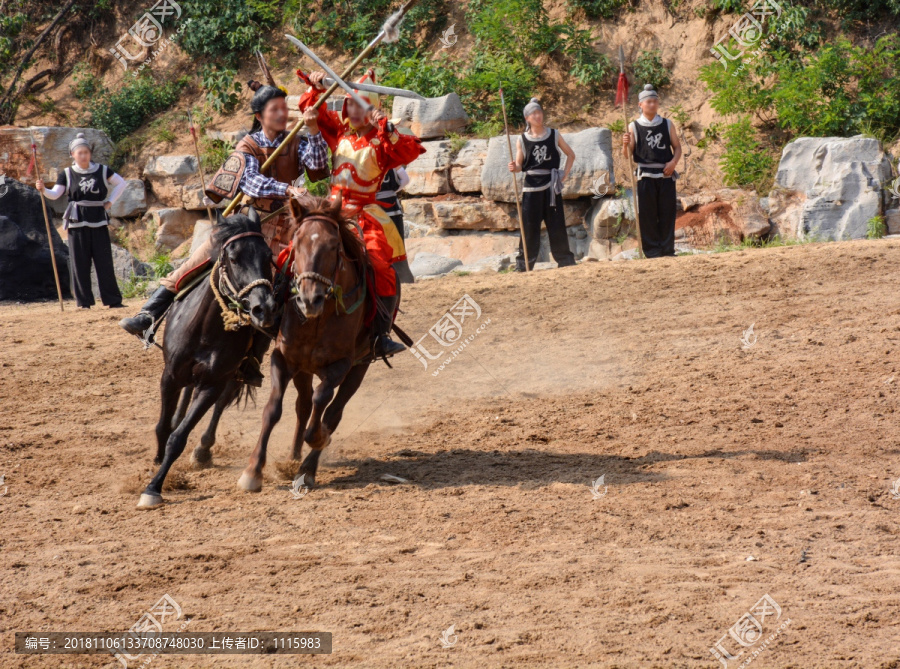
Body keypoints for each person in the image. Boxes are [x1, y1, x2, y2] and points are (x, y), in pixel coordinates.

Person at [119, 81, 330, 386]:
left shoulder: (296, 139)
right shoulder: (247, 145)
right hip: (248, 224)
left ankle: (257, 358)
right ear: (260, 115)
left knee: (292, 285)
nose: (283, 114)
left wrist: (313, 131)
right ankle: (149, 314)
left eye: (286, 108)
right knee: (200, 256)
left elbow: (318, 168)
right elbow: (252, 183)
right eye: (276, 109)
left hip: (286, 226)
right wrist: (288, 189)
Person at [299, 70, 425, 357]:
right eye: (349, 104)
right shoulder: (340, 132)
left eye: (360, 104)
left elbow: (410, 150)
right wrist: (317, 87)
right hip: (330, 211)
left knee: (381, 268)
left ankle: (380, 335)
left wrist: (385, 125)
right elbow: (312, 112)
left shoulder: (382, 142)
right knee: (292, 253)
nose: (353, 110)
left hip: (364, 215)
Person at [36, 133, 126, 309]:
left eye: (86, 152)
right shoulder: (67, 174)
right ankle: (84, 302)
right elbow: (55, 195)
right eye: (80, 153)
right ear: (73, 154)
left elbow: (121, 183)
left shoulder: (102, 170)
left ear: (90, 153)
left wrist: (109, 202)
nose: (84, 155)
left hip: (98, 220)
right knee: (80, 262)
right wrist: (43, 189)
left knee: (104, 261)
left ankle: (113, 300)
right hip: (77, 221)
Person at [507, 97, 577, 272]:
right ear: (527, 118)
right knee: (529, 228)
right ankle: (524, 265)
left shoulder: (554, 134)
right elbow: (519, 165)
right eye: (533, 114)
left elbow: (571, 154)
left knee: (557, 225)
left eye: (539, 112)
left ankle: (565, 261)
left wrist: (564, 174)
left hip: (551, 187)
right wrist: (514, 167)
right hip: (531, 188)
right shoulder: (522, 139)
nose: (538, 116)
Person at [622, 84, 682, 258]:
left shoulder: (667, 124)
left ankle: (668, 250)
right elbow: (627, 155)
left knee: (667, 214)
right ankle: (652, 252)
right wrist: (624, 143)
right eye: (648, 101)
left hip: (666, 174)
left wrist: (673, 162)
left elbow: (677, 147)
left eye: (655, 101)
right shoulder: (633, 127)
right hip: (646, 176)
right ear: (640, 104)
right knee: (648, 215)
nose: (652, 104)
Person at [376, 166, 414, 284]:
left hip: (375, 209)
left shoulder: (367, 161)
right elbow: (406, 180)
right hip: (393, 207)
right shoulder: (393, 162)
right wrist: (393, 191)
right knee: (397, 244)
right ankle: (403, 276)